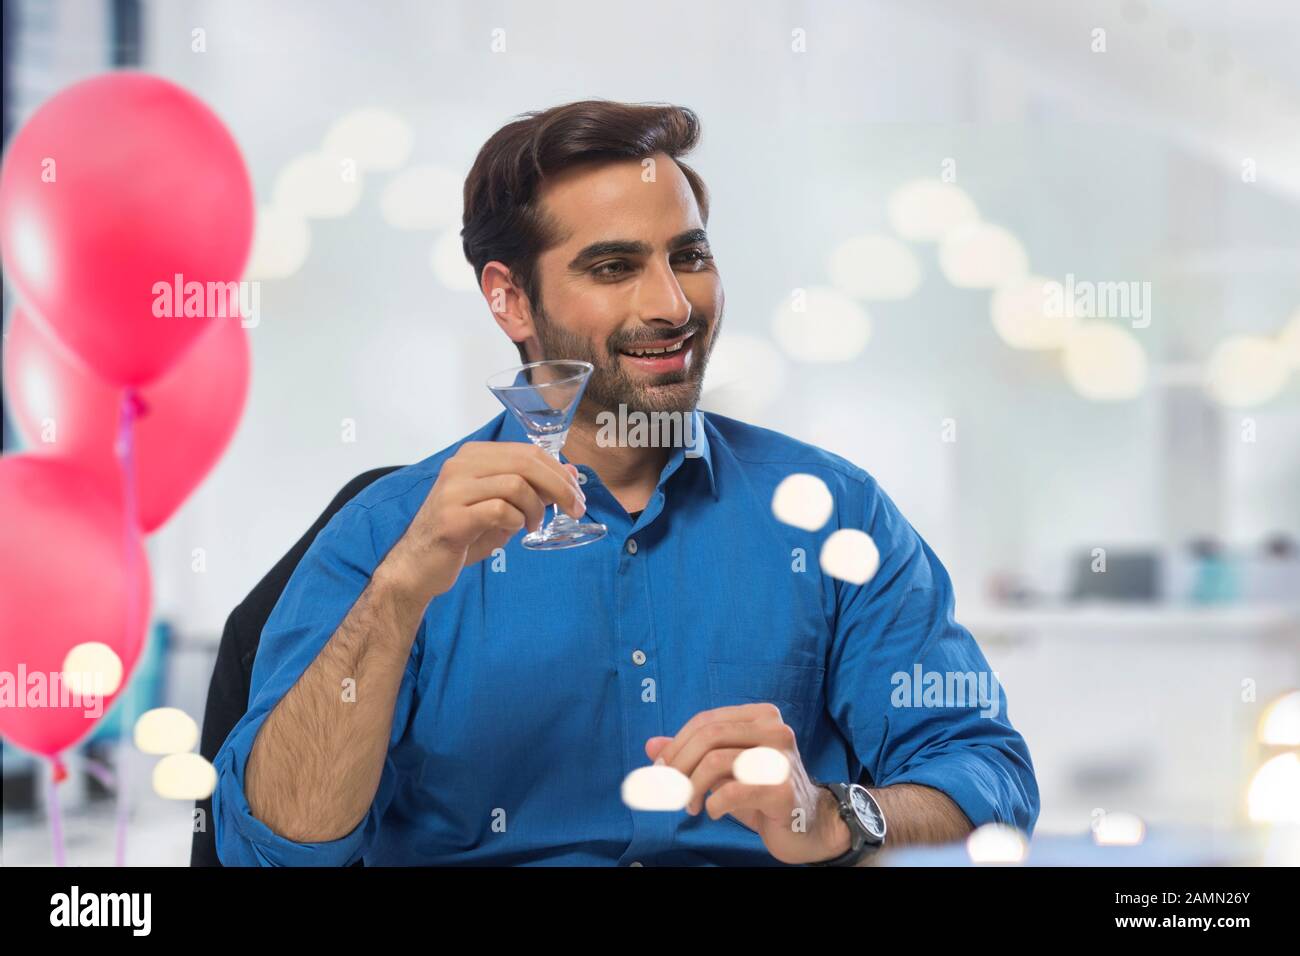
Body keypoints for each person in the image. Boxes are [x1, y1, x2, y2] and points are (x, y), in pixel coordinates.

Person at [212, 100, 1038, 866]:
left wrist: (835, 816)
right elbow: (273, 848)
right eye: (613, 267)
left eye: (690, 256)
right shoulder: (386, 532)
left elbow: (989, 778)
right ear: (509, 300)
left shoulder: (833, 515)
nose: (672, 303)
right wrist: (396, 597)